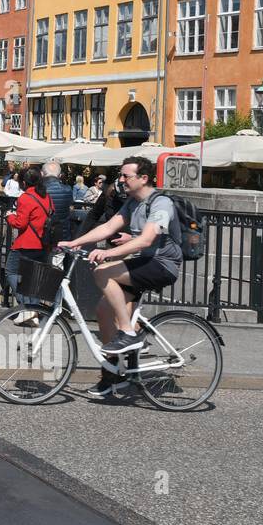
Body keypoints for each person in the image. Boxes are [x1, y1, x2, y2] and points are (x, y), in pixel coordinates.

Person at [58, 156, 183, 397]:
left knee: (103, 272)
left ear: (144, 178)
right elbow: (107, 227)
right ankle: (113, 374)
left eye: (126, 176)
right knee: (104, 311)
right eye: (121, 175)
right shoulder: (132, 202)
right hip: (144, 261)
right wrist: (75, 241)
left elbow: (146, 239)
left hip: (162, 265)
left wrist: (108, 253)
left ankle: (127, 332)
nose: (121, 180)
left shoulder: (161, 203)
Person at [4, 166, 53, 316]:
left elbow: (20, 223)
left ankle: (27, 307)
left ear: (24, 183)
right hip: (43, 244)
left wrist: (9, 216)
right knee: (34, 279)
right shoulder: (47, 197)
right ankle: (34, 309)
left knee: (10, 271)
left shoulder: (25, 198)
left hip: (25, 244)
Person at [42, 160, 74, 242]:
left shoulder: (37, 190)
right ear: (59, 175)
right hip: (62, 234)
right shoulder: (67, 189)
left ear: (42, 173)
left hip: (42, 234)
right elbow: (70, 209)